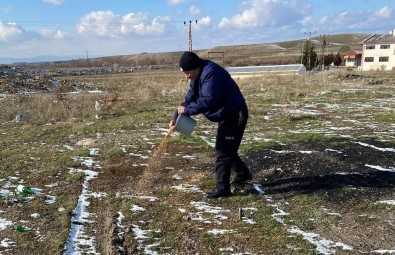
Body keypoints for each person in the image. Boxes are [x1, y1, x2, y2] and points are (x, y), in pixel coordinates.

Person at [169, 51, 252, 199]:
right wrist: (176, 117)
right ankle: (243, 175)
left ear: (195, 67)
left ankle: (223, 188)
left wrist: (187, 110)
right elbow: (188, 99)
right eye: (184, 72)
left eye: (187, 72)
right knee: (228, 148)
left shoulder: (211, 73)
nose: (186, 76)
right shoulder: (196, 76)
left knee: (223, 150)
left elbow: (208, 101)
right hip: (226, 113)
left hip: (235, 114)